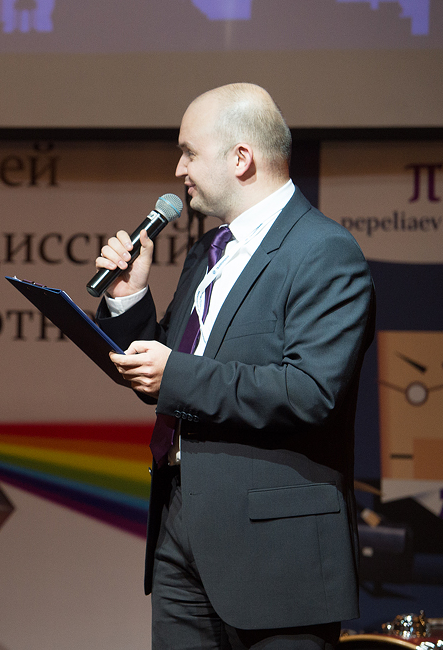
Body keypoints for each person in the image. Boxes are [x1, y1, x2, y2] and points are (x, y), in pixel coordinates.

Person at [95, 83, 375, 649]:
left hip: (276, 552)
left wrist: (173, 373)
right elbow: (166, 378)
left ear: (241, 158)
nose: (179, 169)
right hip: (181, 530)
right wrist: (129, 297)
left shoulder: (323, 251)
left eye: (189, 153)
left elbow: (310, 392)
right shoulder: (207, 252)